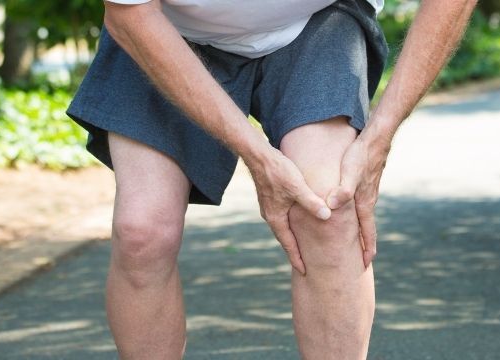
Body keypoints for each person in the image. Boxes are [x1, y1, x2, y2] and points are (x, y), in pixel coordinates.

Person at [66, 0, 476, 358]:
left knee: (327, 212)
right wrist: (257, 156)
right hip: (164, 30)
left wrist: (380, 133)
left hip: (316, 21)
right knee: (143, 234)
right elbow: (130, 13)